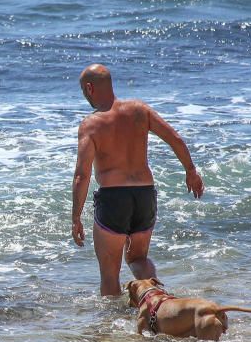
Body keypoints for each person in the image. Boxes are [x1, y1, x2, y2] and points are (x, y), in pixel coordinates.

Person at [71, 63, 205, 297]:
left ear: (90, 88)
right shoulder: (139, 110)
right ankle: (158, 303)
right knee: (138, 258)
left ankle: (110, 327)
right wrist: (191, 171)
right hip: (144, 195)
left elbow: (82, 175)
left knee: (110, 274)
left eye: (84, 91)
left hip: (114, 198)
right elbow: (174, 138)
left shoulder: (91, 124)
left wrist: (75, 217)